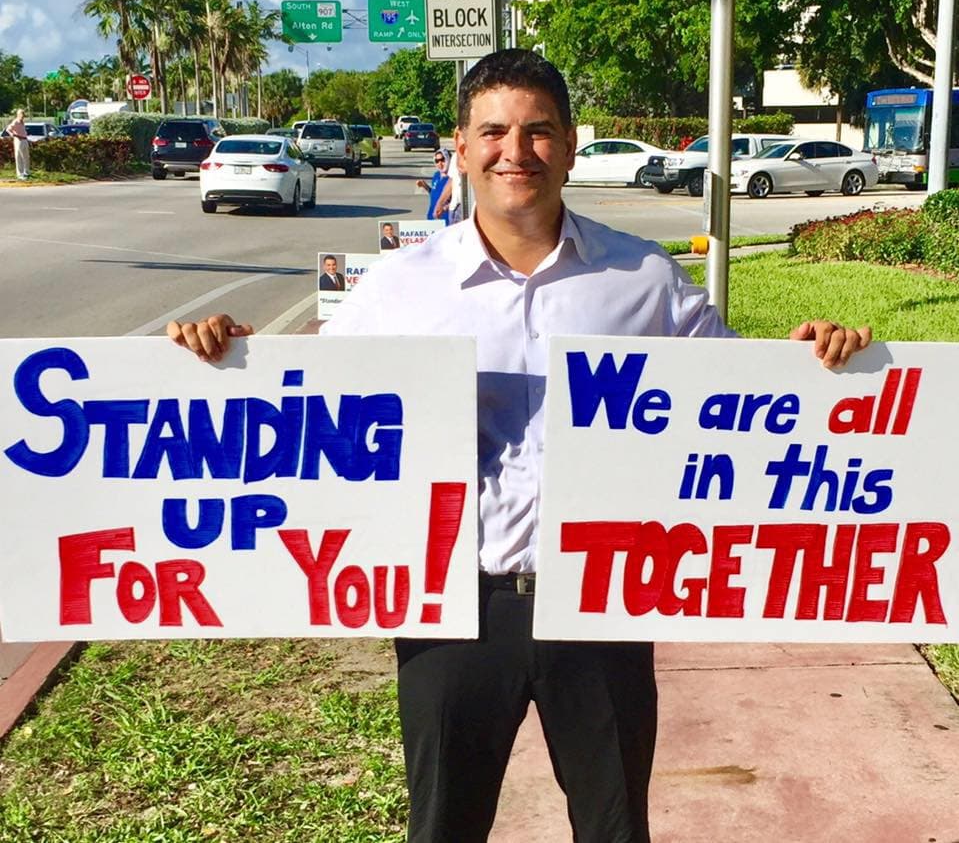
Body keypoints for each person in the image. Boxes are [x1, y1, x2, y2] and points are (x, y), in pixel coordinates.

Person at [168, 49, 871, 842]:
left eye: (538, 132)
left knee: (613, 829)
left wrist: (818, 363)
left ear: (569, 144)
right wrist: (226, 362)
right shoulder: (400, 287)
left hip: (602, 602)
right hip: (453, 609)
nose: (516, 151)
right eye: (493, 132)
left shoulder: (642, 278)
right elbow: (309, 415)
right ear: (460, 149)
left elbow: (740, 402)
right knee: (443, 828)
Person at [416, 148, 451, 222]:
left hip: (446, 219)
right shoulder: (436, 175)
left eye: (442, 160)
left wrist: (444, 208)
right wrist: (425, 186)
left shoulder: (452, 178)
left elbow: (457, 202)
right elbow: (434, 193)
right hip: (432, 217)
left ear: (448, 159)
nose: (440, 163)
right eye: (437, 161)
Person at [6, 109, 30, 180]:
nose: (23, 116)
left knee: (26, 156)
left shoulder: (22, 122)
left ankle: (26, 172)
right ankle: (20, 174)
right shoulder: (15, 121)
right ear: (18, 115)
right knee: (19, 157)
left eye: (23, 114)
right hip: (19, 140)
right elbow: (8, 129)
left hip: (25, 139)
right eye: (22, 114)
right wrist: (13, 135)